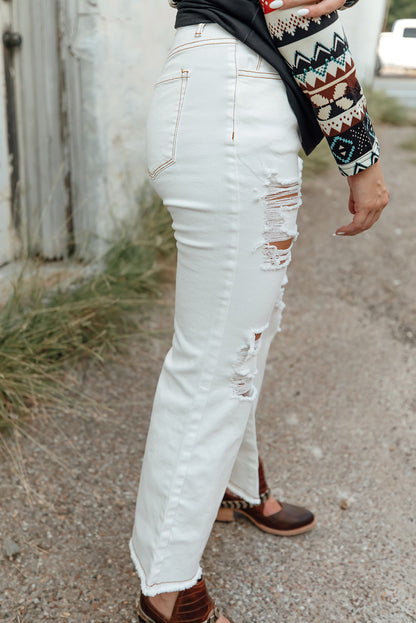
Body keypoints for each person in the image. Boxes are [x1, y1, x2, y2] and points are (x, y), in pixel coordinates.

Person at [130, 1, 389, 622]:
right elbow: (299, 10)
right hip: (236, 109)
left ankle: (234, 485)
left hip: (211, 94)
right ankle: (167, 585)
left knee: (243, 333)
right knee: (220, 357)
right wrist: (363, 159)